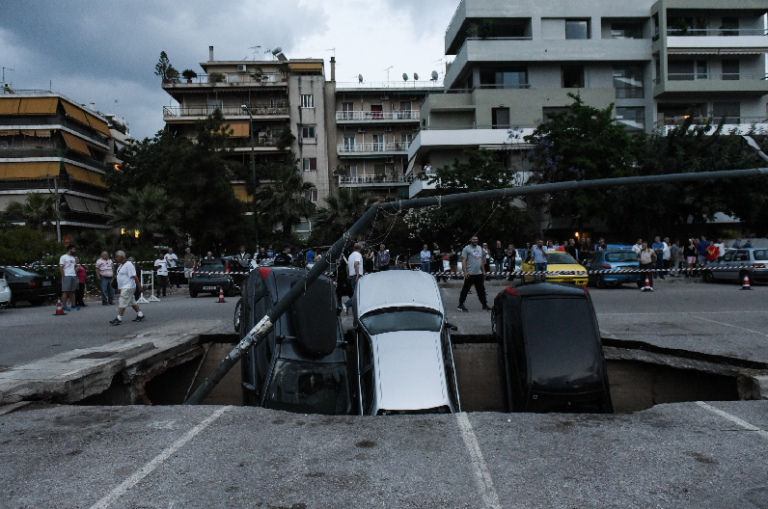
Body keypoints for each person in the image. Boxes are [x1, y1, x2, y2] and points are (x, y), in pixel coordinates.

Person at [110, 250, 145, 326]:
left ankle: (119, 318)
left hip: (128, 286)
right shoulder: (121, 265)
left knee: (122, 300)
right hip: (124, 286)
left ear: (121, 257)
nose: (116, 258)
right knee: (131, 301)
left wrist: (139, 286)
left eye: (117, 257)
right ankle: (140, 314)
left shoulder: (129, 265)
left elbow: (134, 276)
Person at [457, 236, 490, 312]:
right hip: (470, 273)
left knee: (481, 290)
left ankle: (484, 305)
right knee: (465, 290)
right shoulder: (466, 248)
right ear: (471, 240)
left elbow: (481, 260)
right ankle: (460, 305)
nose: (475, 241)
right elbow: (464, 260)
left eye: (476, 239)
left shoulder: (479, 248)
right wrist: (465, 272)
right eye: (474, 239)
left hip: (478, 273)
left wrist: (483, 270)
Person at [343, 244, 364, 314]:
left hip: (351, 275)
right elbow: (356, 264)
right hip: (356, 275)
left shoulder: (351, 255)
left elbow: (347, 266)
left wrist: (348, 275)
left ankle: (354, 309)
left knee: (355, 293)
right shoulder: (358, 255)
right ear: (360, 248)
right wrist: (357, 274)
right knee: (358, 294)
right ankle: (347, 304)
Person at [59, 245, 78, 311]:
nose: (74, 251)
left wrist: (75, 274)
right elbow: (61, 267)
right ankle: (64, 306)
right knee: (66, 291)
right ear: (70, 249)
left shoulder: (73, 258)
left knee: (72, 291)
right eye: (73, 249)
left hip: (73, 275)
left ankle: (73, 304)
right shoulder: (63, 257)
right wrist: (63, 276)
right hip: (67, 275)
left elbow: (74, 267)